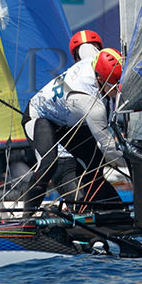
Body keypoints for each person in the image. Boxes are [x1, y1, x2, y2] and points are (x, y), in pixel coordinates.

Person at [20, 39, 126, 208]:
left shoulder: (94, 58)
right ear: (98, 77)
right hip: (40, 118)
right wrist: (137, 168)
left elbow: (84, 46)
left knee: (95, 161)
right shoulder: (90, 103)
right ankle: (26, 219)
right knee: (49, 165)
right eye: (114, 85)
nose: (118, 90)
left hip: (68, 124)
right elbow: (109, 148)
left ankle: (112, 209)